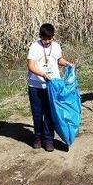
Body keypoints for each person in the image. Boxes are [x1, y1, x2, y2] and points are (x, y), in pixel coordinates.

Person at [26, 23, 74, 151]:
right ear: (40, 37)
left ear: (53, 37)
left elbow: (59, 60)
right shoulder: (34, 47)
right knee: (37, 113)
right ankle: (37, 137)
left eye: (49, 39)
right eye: (44, 39)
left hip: (52, 86)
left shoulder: (57, 46)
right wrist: (43, 74)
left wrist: (67, 63)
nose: (47, 41)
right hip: (35, 85)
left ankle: (48, 140)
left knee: (49, 113)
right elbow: (30, 65)